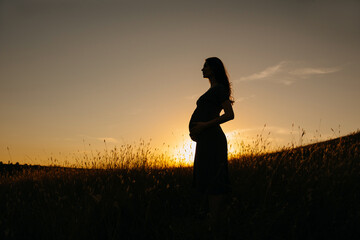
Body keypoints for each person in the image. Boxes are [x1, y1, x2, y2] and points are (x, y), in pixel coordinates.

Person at [189, 57, 234, 239]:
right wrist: (197, 132)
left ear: (214, 69)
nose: (202, 69)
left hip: (213, 140)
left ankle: (214, 224)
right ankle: (211, 221)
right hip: (206, 140)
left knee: (215, 179)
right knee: (206, 177)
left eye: (205, 66)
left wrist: (204, 126)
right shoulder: (212, 90)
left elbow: (230, 115)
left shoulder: (220, 89)